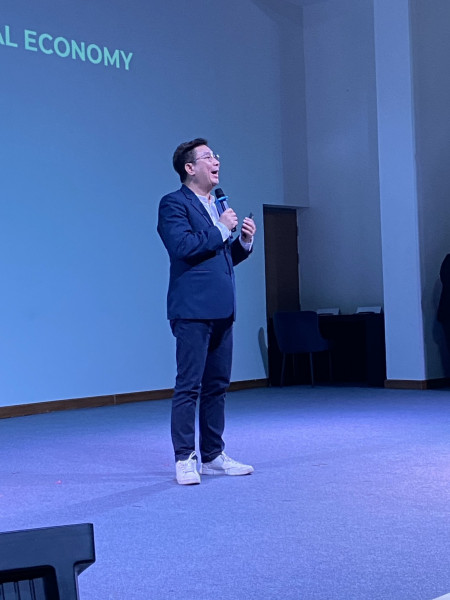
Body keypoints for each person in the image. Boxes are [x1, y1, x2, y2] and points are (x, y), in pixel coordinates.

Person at [157, 138, 256, 485]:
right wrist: (222, 228)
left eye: (216, 156)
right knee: (189, 385)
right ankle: (185, 458)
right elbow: (183, 247)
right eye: (208, 157)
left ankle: (213, 455)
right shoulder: (174, 204)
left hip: (222, 310)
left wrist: (242, 243)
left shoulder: (217, 205)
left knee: (217, 386)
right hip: (192, 310)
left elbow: (218, 259)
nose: (216, 162)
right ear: (190, 168)